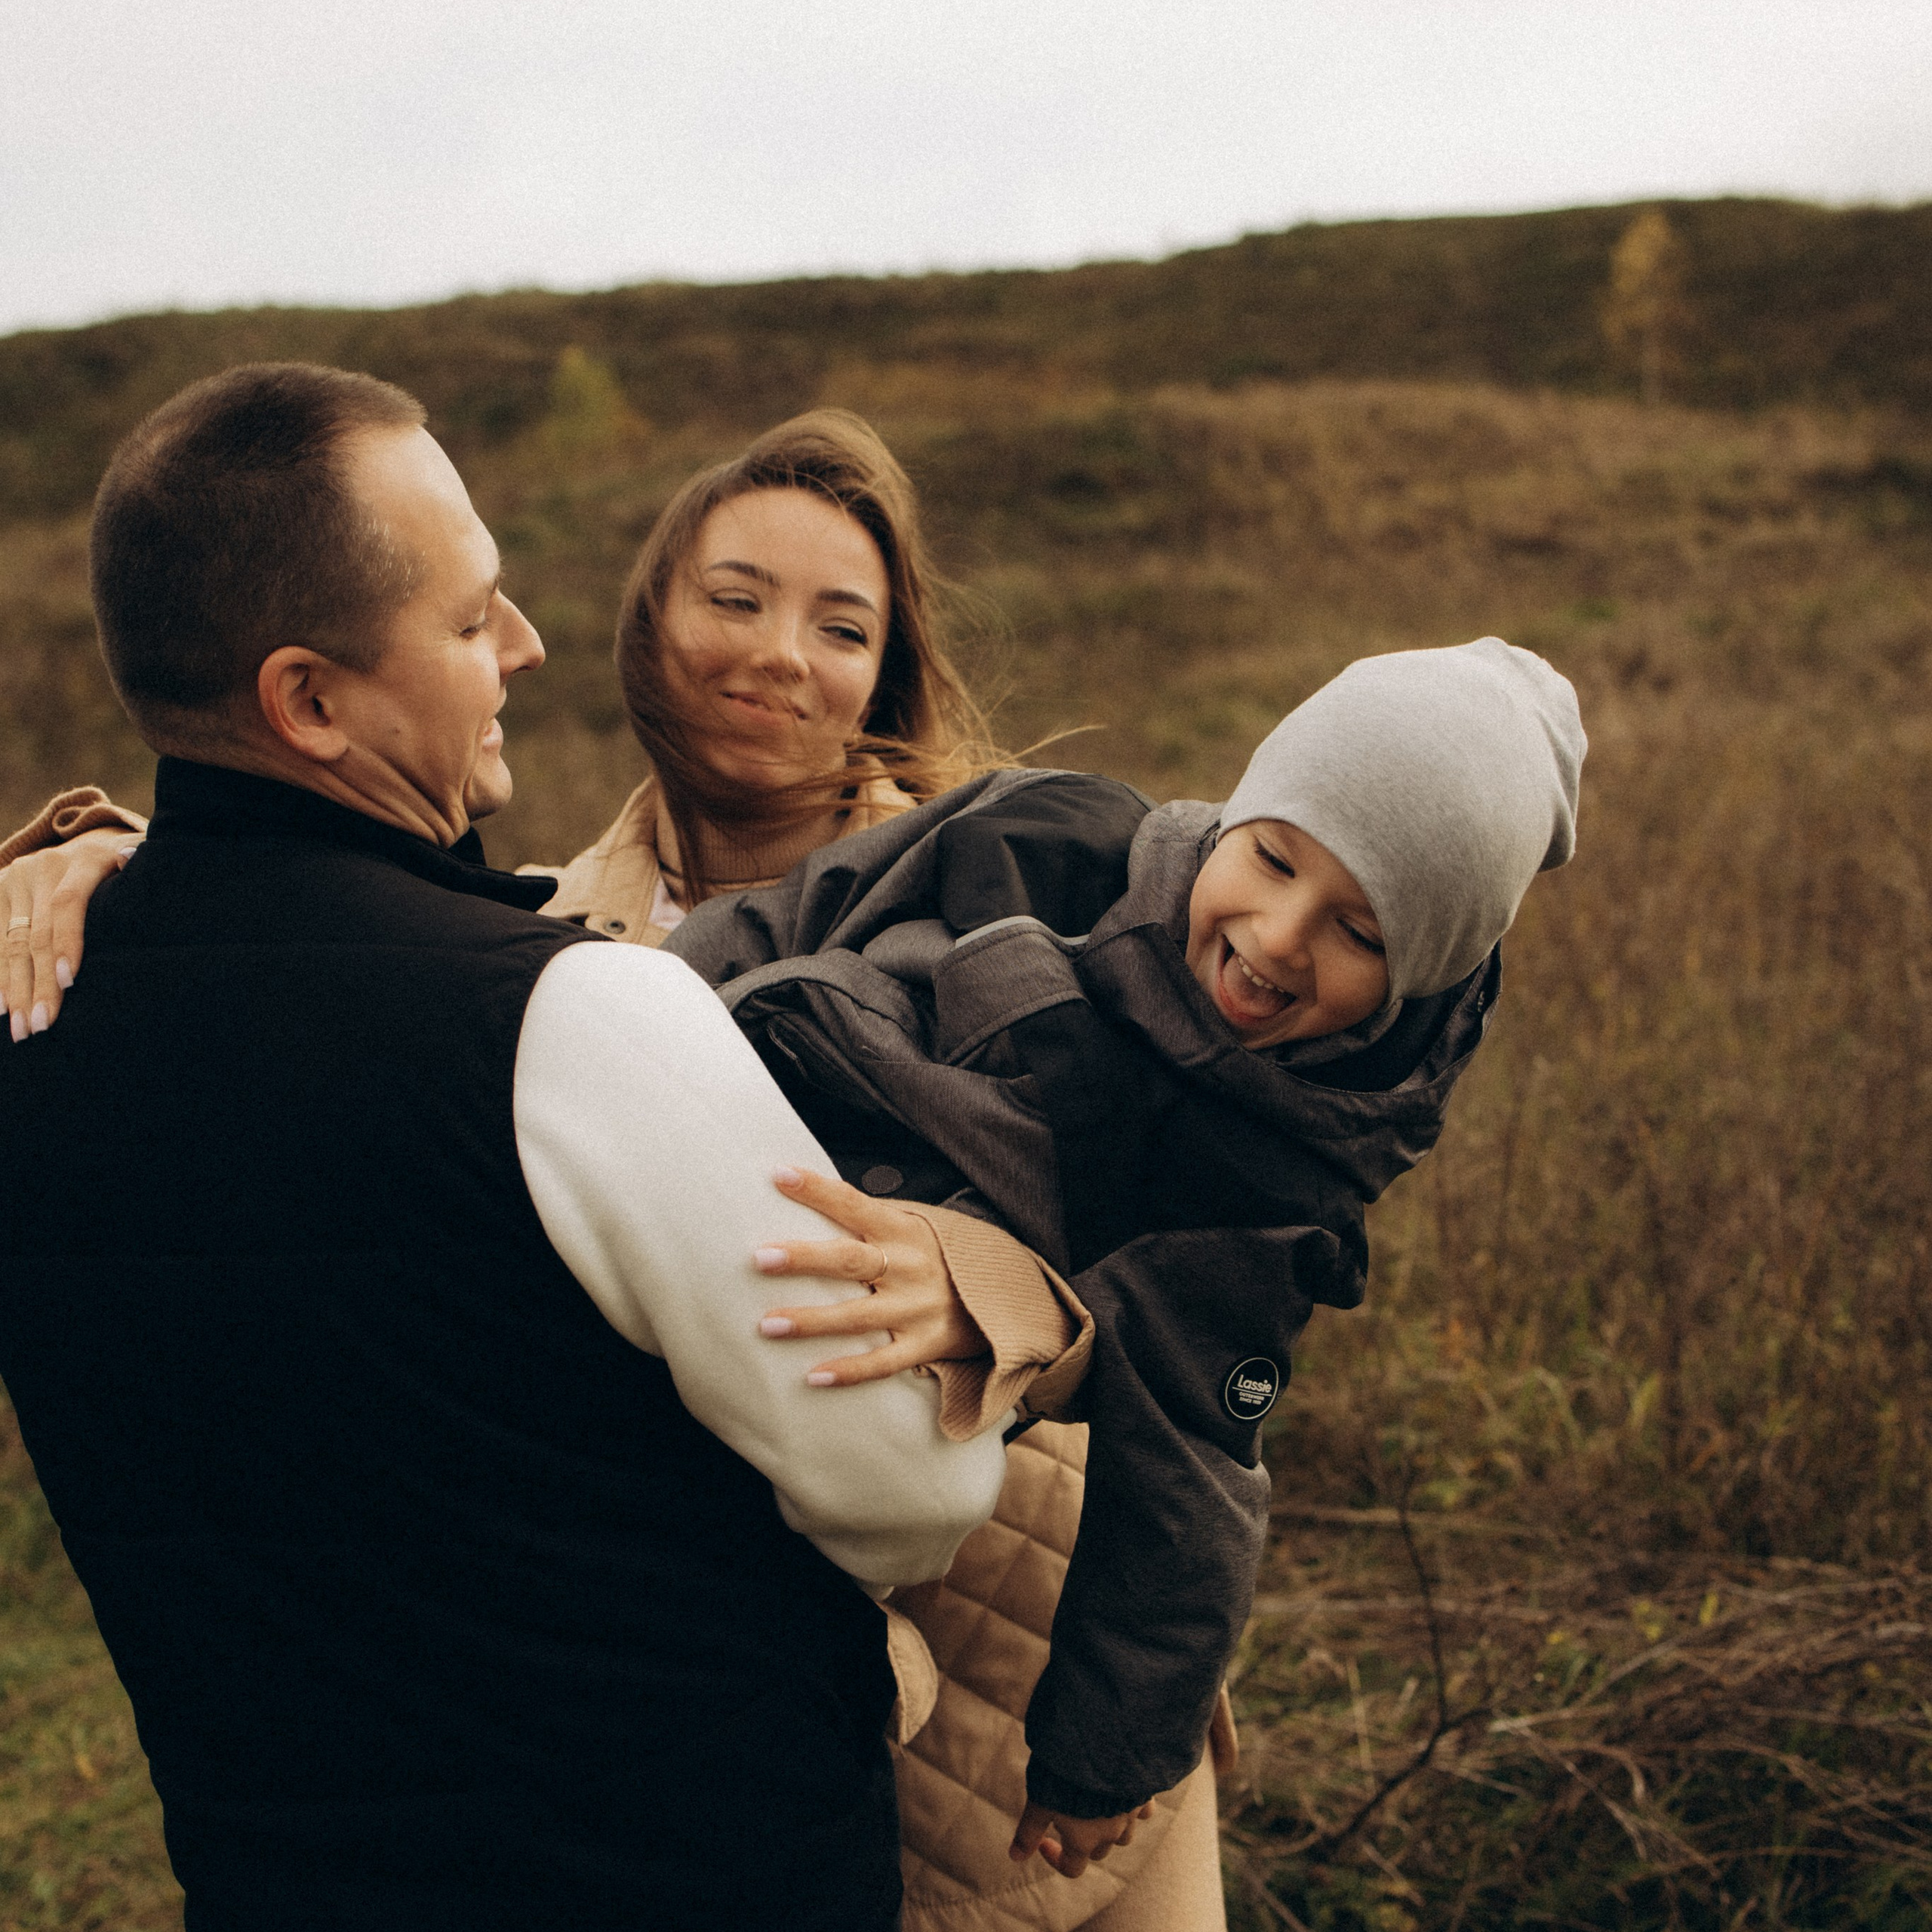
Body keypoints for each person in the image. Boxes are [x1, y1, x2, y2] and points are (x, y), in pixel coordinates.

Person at [5, 409, 1229, 1929]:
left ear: (886, 662)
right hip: (732, 1809)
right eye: (733, 595)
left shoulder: (1034, 931)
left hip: (1030, 1700)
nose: (780, 651)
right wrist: (87, 854)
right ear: (649, 618)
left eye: (841, 621)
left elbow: (1222, 1266)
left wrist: (1006, 1295)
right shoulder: (562, 959)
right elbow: (335, 960)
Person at [664, 637, 1586, 1861]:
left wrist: (1104, 1762)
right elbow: (809, 907)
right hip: (721, 1101)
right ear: (1241, 813)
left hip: (838, 1327)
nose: (1276, 936)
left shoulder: (1267, 1188)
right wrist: (646, 1001)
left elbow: (1190, 1491)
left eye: (1359, 933)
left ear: (1420, 983)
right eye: (1270, 858)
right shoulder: (1051, 835)